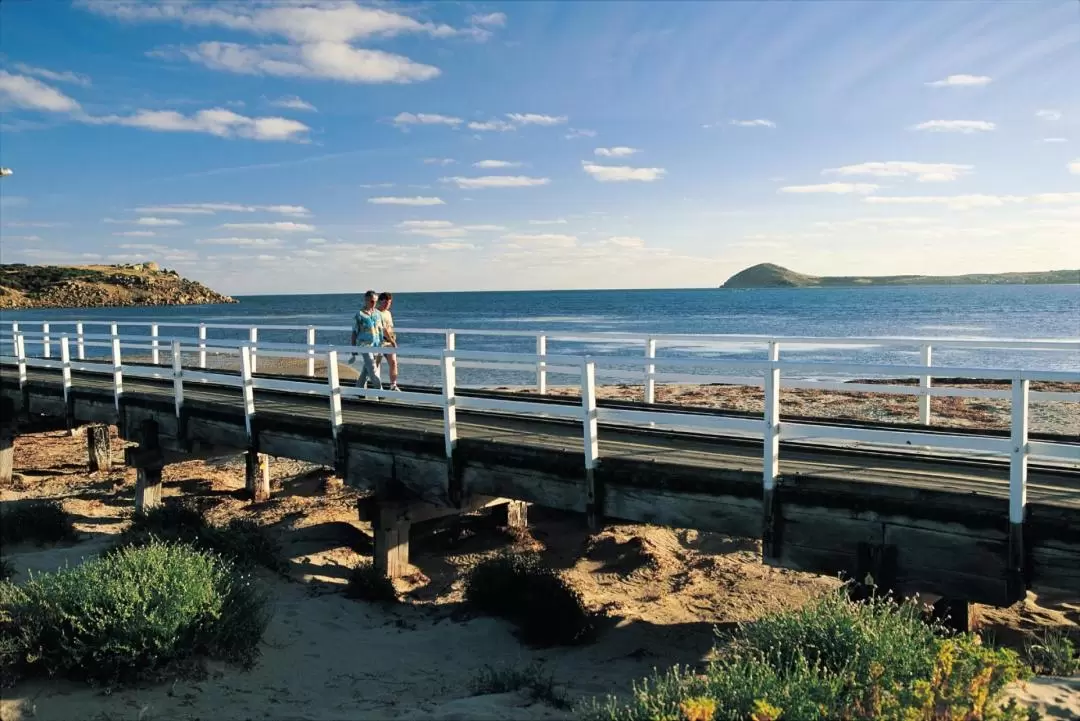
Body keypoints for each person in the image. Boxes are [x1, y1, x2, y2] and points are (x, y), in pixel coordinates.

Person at [349, 290, 383, 390]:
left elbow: (380, 330)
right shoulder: (359, 315)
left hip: (376, 345)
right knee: (372, 368)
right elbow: (354, 332)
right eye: (372, 301)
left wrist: (382, 344)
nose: (374, 304)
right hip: (364, 345)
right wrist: (353, 348)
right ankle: (380, 392)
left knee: (366, 369)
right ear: (366, 300)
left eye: (376, 301)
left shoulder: (377, 314)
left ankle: (358, 389)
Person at [376, 291, 400, 391]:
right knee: (376, 364)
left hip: (389, 342)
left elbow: (389, 328)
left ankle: (393, 385)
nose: (387, 304)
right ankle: (376, 385)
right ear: (380, 301)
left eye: (389, 302)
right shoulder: (376, 313)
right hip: (380, 342)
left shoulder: (388, 313)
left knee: (393, 362)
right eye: (385, 302)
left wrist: (393, 339)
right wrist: (392, 341)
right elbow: (383, 329)